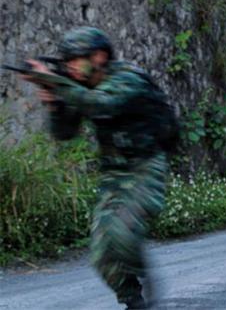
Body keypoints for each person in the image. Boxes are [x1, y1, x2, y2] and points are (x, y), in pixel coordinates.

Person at [20, 27, 175, 309]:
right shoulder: (82, 87)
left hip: (145, 169)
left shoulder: (128, 78)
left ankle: (142, 271)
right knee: (102, 252)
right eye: (66, 62)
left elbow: (102, 104)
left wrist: (52, 80)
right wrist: (55, 104)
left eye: (75, 60)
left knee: (121, 232)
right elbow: (65, 133)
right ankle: (134, 302)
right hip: (113, 174)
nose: (70, 67)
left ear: (100, 56)